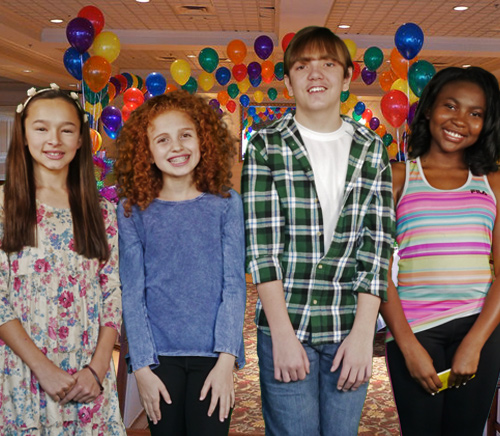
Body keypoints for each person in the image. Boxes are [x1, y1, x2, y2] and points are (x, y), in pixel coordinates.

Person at [241, 26, 395, 436]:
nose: (315, 74)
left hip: (349, 326)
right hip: (286, 324)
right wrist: (282, 335)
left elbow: (377, 245)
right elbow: (262, 250)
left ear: (346, 78)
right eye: (302, 65)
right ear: (288, 79)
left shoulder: (371, 147)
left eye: (328, 64)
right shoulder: (266, 146)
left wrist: (365, 335)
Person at [115, 91, 246, 436]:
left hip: (214, 356)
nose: (176, 147)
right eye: (162, 139)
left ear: (203, 140)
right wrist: (141, 367)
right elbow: (132, 292)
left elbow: (234, 286)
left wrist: (226, 360)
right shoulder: (132, 210)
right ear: (146, 150)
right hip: (158, 360)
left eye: (185, 135)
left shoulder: (227, 204)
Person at [380, 66, 500, 436]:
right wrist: (407, 345)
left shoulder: (494, 182)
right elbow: (376, 269)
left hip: (479, 327)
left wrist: (475, 343)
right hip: (414, 331)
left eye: (475, 113)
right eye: (451, 106)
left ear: (486, 123)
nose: (460, 120)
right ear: (430, 108)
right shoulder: (397, 176)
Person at [0, 84, 125, 435]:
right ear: (23, 136)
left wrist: (98, 369)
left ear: (81, 139)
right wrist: (43, 369)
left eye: (66, 129)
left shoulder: (101, 211)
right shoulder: (4, 205)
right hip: (23, 371)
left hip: (87, 373)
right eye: (41, 128)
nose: (54, 139)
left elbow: (112, 292)